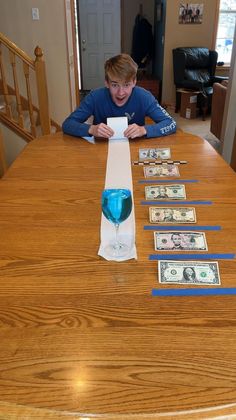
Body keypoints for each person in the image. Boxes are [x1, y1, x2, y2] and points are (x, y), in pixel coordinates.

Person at [62, 53, 176, 140]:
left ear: (134, 82)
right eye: (115, 85)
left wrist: (144, 130)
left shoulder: (144, 97)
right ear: (106, 83)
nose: (121, 92)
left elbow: (171, 123)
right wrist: (91, 129)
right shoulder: (94, 97)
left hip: (135, 148)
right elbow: (67, 124)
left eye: (126, 85)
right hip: (101, 149)